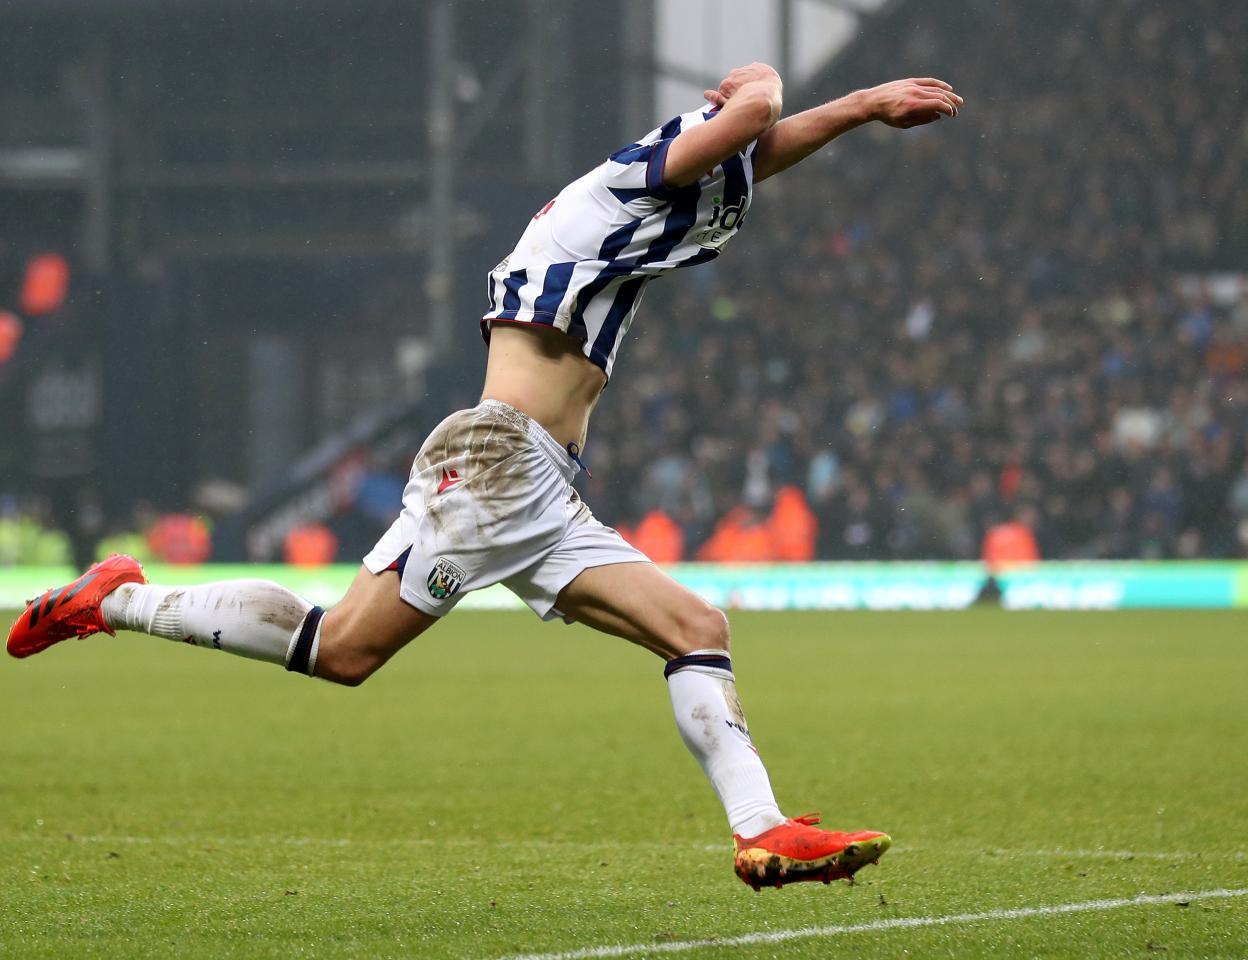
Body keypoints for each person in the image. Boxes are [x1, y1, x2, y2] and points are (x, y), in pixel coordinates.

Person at [8, 63, 962, 890]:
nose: (723, 171)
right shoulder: (622, 182)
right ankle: (119, 602)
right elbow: (752, 121)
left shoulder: (634, 199)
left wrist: (863, 107)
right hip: (499, 464)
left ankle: (763, 830)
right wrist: (763, 84)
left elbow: (753, 150)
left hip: (536, 481)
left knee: (692, 628)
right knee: (344, 651)